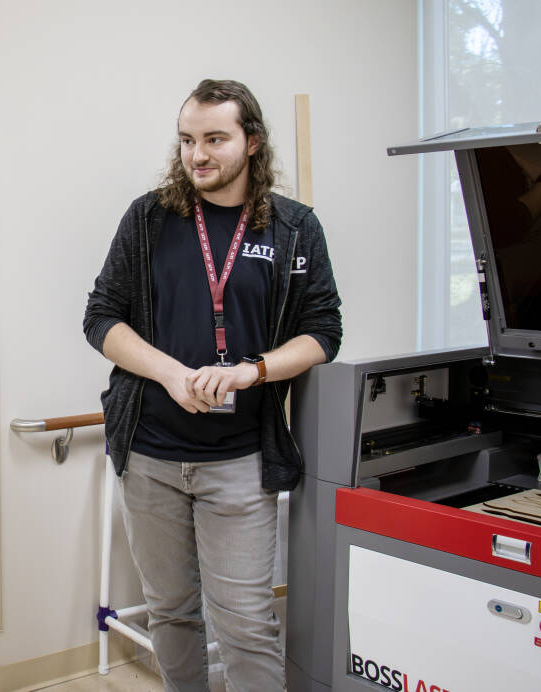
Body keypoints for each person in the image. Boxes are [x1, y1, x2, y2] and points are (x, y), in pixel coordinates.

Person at [83, 79, 342, 691]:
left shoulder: (295, 230)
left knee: (246, 624)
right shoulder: (149, 219)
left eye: (214, 139)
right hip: (149, 456)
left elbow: (323, 332)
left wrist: (252, 370)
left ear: (251, 142)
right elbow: (101, 317)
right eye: (187, 141)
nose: (197, 155)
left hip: (240, 462)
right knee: (171, 615)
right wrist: (171, 373)